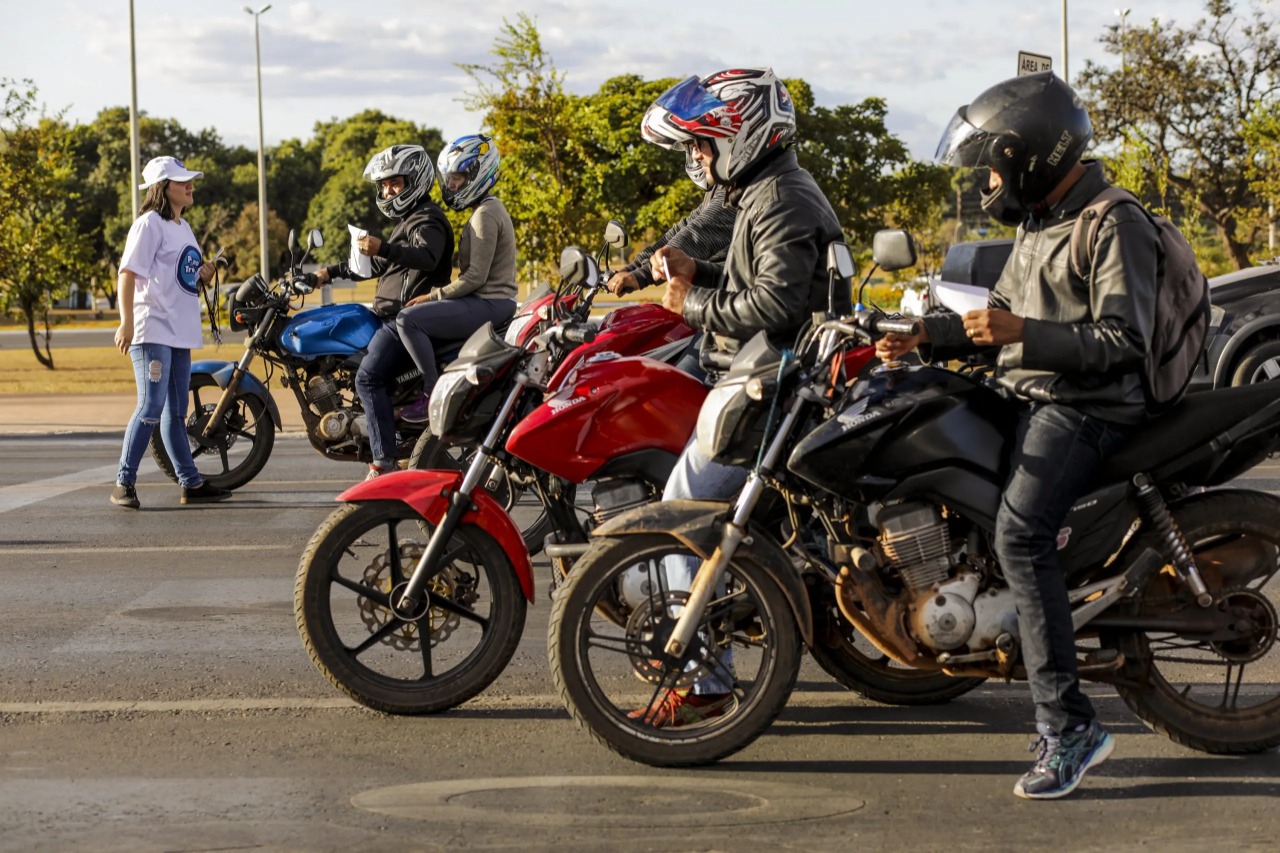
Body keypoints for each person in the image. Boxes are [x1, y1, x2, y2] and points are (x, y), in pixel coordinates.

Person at [876, 71, 1159, 799]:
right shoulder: (1041, 219)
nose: (990, 181)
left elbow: (1126, 340)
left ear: (1030, 153)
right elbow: (992, 321)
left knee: (1021, 535)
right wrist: (922, 337)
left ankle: (1070, 728)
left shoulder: (1110, 218)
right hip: (1038, 387)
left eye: (995, 166)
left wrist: (1023, 334)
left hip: (1093, 404)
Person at [628, 67, 845, 727]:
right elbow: (763, 277)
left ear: (741, 135)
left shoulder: (779, 197)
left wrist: (688, 300)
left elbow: (777, 304)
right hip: (763, 368)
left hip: (776, 378)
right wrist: (705, 271)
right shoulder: (764, 192)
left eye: (702, 143)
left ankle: (703, 684)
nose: (696, 156)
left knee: (678, 513)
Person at [312, 144, 454, 478]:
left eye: (395, 183)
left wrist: (385, 246)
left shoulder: (428, 219)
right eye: (385, 184)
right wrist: (328, 273)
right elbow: (377, 263)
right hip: (391, 318)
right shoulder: (410, 219)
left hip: (405, 321)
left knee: (368, 378)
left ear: (415, 180)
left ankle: (383, 463)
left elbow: (426, 257)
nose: (388, 190)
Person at [111, 156, 233, 509]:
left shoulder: (184, 227)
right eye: (182, 181)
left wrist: (203, 275)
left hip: (179, 331)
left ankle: (191, 483)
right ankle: (123, 482)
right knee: (150, 405)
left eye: (190, 179)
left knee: (176, 412)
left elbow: (182, 280)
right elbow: (127, 274)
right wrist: (126, 322)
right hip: (153, 330)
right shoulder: (148, 224)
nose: (190, 185)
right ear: (162, 187)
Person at [393, 134, 518, 424]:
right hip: (489, 301)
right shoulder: (485, 209)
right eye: (449, 178)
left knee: (408, 320)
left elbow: (475, 278)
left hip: (490, 302)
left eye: (458, 178)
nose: (450, 186)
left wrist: (432, 295)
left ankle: (430, 394)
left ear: (479, 173)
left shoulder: (485, 214)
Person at [604, 156, 736, 379]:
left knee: (680, 382)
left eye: (698, 144)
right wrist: (632, 267)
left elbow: (697, 236)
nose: (694, 154)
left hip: (729, 312)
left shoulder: (735, 192)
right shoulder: (718, 190)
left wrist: (642, 275)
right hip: (717, 304)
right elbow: (682, 229)